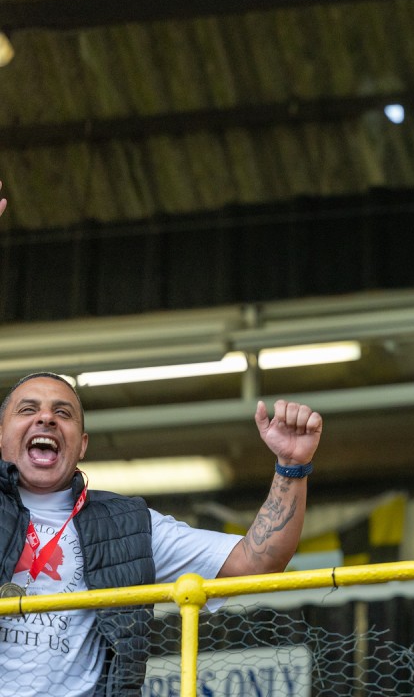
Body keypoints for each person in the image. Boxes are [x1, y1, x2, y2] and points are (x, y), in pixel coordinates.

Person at [0, 182, 324, 696]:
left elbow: (256, 564)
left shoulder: (128, 526)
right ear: (1, 438)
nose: (46, 420)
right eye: (28, 410)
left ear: (82, 445)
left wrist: (291, 467)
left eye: (63, 413)